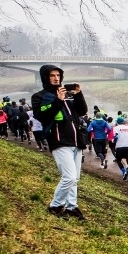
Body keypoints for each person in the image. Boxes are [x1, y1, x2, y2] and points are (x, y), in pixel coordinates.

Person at [31, 65, 89, 220]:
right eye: (52, 75)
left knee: (74, 179)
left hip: (76, 141)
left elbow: (82, 111)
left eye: (58, 75)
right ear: (45, 77)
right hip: (59, 141)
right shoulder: (39, 97)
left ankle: (71, 206)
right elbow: (42, 116)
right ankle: (55, 206)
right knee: (69, 177)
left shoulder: (67, 93)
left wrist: (78, 94)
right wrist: (58, 100)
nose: (56, 78)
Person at [112, 117, 128, 182]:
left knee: (118, 160)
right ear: (123, 122)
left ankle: (124, 171)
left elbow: (115, 137)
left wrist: (113, 141)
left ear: (117, 122)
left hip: (119, 147)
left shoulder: (115, 128)